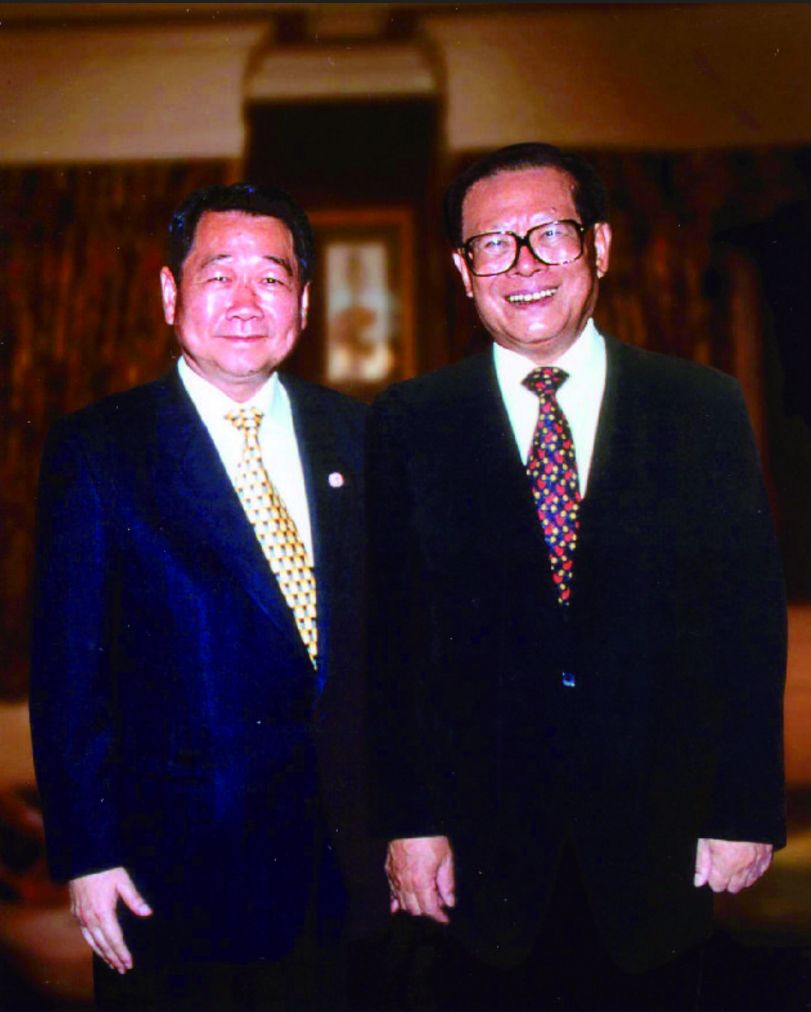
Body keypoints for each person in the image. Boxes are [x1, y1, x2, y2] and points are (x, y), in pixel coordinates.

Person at [367, 143, 787, 1010]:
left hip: (660, 846)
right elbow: (390, 644)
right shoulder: (410, 422)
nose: (523, 266)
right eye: (493, 244)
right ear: (462, 270)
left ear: (598, 247)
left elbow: (746, 626)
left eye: (549, 235)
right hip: (481, 865)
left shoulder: (700, 407)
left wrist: (743, 809)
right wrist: (408, 823)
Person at [28, 182, 379, 1011]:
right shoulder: (100, 450)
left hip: (349, 875)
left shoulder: (361, 436)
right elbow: (68, 672)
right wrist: (88, 854)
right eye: (218, 275)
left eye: (272, 277)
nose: (246, 302)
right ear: (169, 293)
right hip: (177, 879)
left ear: (304, 301)